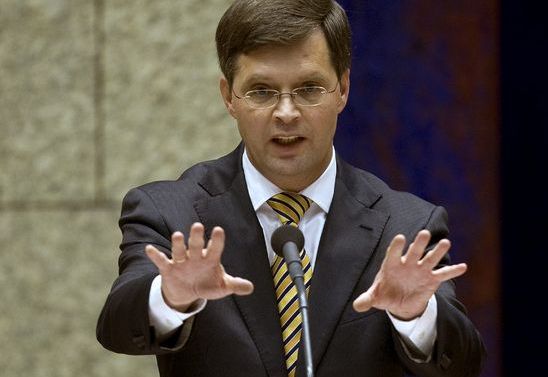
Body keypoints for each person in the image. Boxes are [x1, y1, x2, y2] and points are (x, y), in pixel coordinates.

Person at [96, 1, 486, 376]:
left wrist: (415, 314)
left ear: (344, 89)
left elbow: (463, 362)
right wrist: (170, 298)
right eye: (262, 91)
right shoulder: (170, 213)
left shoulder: (405, 227)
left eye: (309, 88)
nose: (286, 113)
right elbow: (116, 328)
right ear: (229, 97)